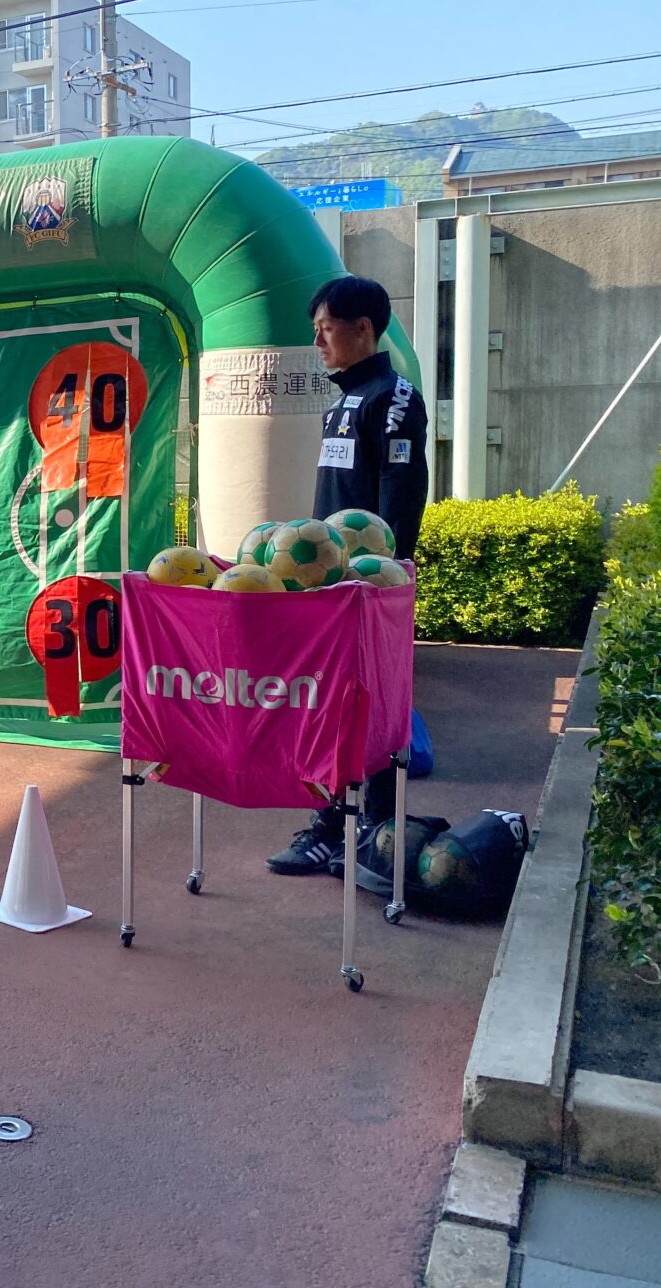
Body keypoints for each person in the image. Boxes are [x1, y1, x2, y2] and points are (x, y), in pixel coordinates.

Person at [266, 274, 429, 878]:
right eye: (316, 330)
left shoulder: (396, 397)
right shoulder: (342, 401)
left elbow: (401, 496)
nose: (318, 342)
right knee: (333, 707)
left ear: (363, 329)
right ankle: (334, 825)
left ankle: (368, 832)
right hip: (330, 587)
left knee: (373, 710)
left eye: (325, 329)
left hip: (370, 590)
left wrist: (381, 578)